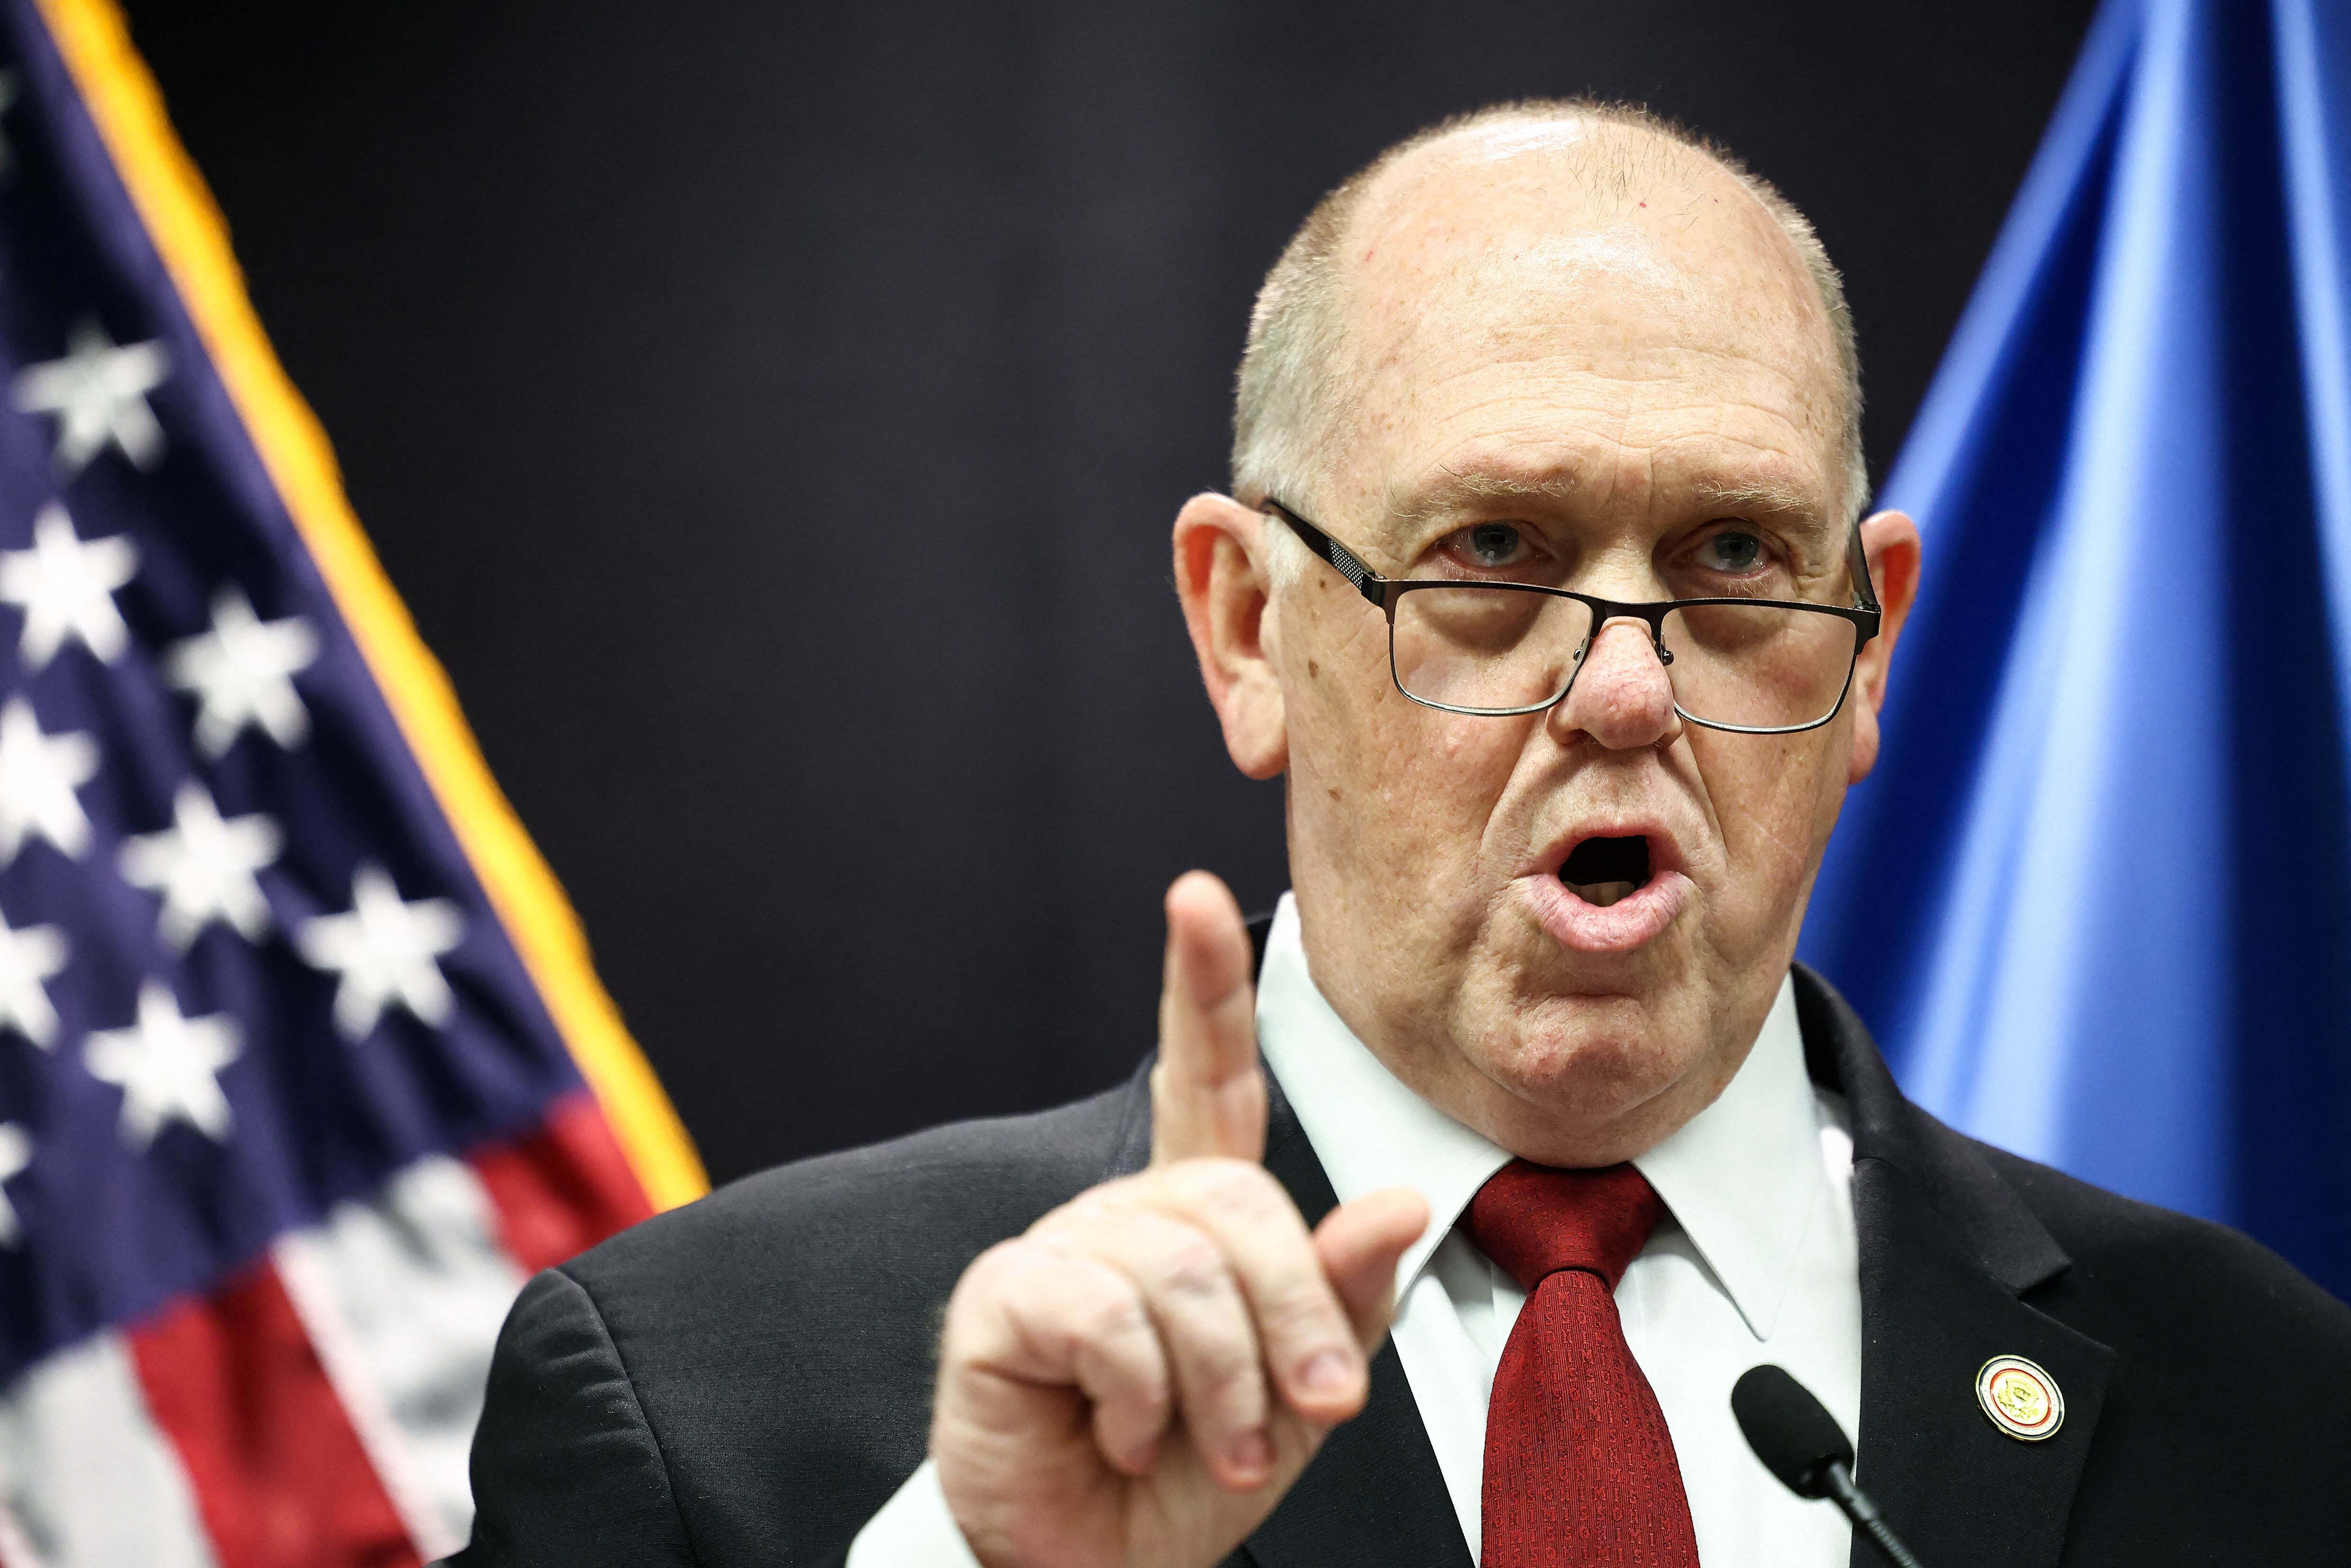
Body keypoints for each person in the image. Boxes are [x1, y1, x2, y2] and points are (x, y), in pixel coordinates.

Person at [452, 100, 2351, 1568]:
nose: (1623, 690)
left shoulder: (2266, 1398)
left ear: (1867, 657)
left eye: (1735, 559)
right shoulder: (713, 1400)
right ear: (1243, 627)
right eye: (1492, 557)